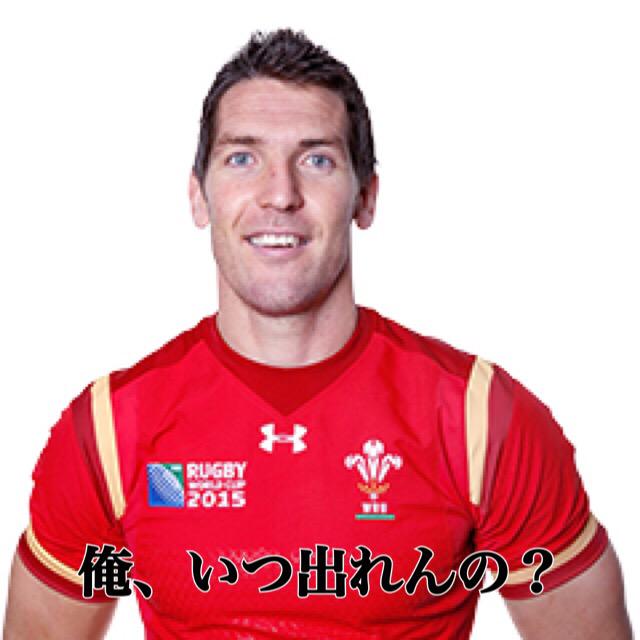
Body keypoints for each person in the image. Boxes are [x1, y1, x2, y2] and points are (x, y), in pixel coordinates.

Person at [2, 28, 633, 640]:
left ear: (365, 198)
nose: (280, 194)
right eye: (242, 157)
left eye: (317, 159)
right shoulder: (110, 429)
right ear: (199, 197)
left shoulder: (480, 418)